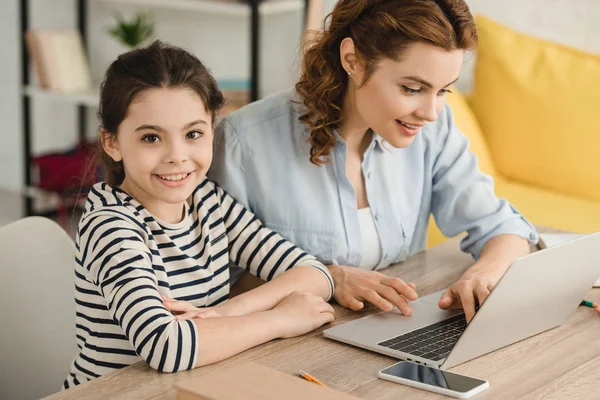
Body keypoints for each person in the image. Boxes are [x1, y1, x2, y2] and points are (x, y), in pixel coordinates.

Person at [208, 0, 538, 324]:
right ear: (353, 59)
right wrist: (328, 279)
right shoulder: (244, 141)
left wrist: (482, 275)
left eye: (443, 92)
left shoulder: (432, 129)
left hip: (391, 326)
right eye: (412, 89)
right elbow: (217, 286)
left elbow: (505, 228)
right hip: (285, 345)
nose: (430, 112)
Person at [63, 41, 336, 389]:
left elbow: (315, 274)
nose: (177, 156)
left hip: (194, 387)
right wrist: (280, 319)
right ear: (112, 142)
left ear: (212, 130)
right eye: (151, 138)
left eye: (193, 134)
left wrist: (225, 313)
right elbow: (165, 346)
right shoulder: (111, 226)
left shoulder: (206, 201)